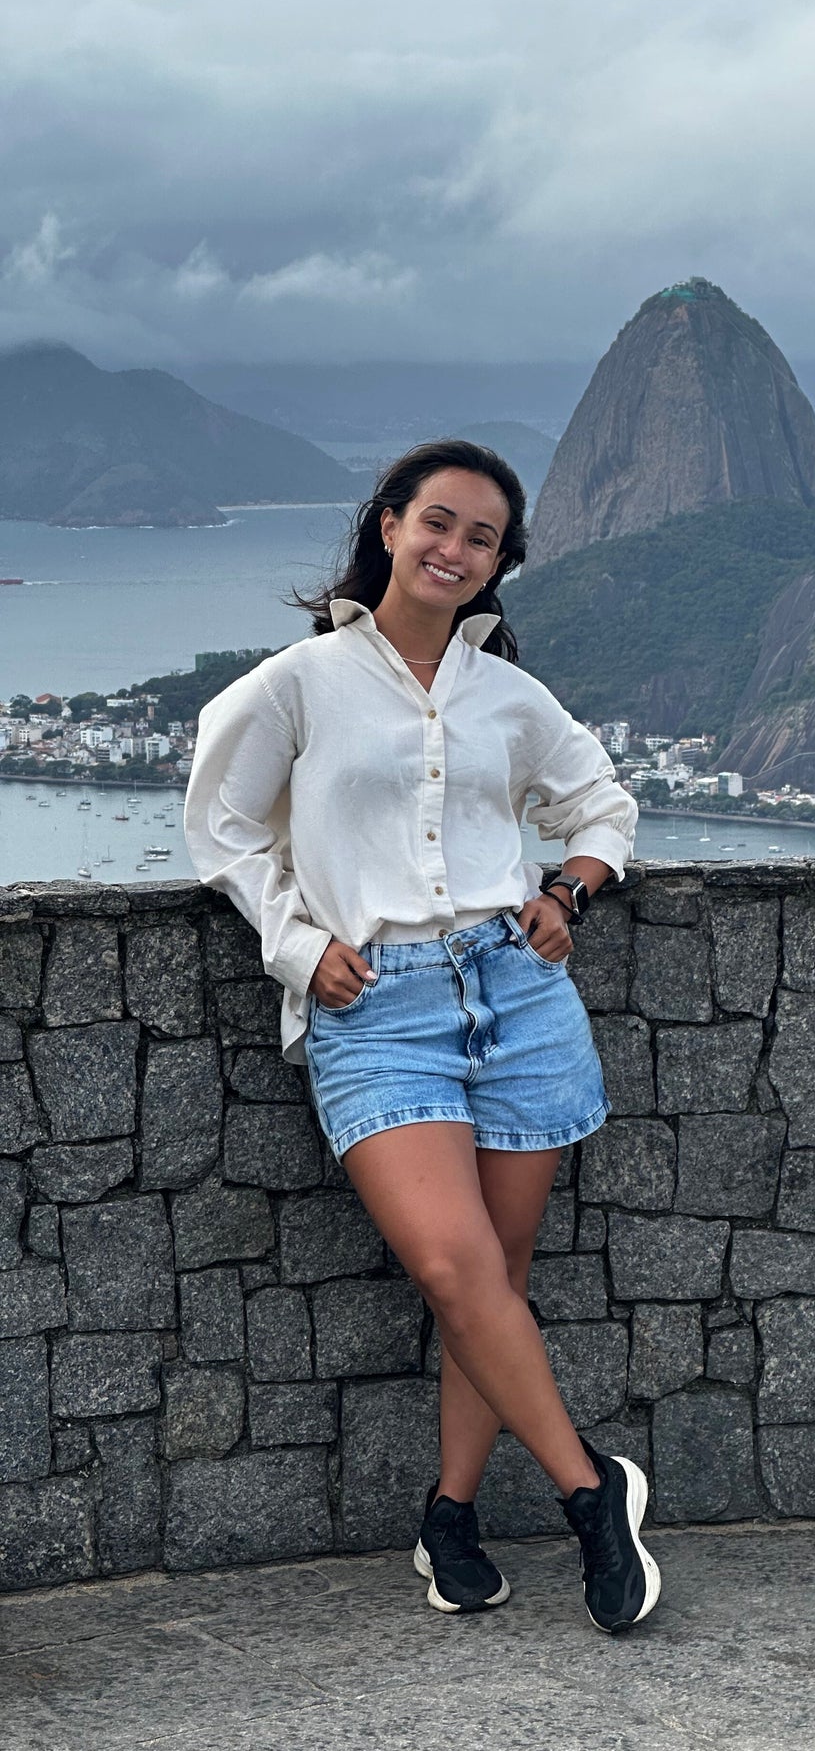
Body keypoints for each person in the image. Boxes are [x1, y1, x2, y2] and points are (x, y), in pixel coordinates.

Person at [183, 439, 660, 1633]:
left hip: (516, 992)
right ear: (388, 525)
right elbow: (221, 825)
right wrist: (296, 945)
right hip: (374, 1009)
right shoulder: (299, 681)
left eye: (480, 537)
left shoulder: (508, 693)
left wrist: (572, 891)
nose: (452, 549)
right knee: (453, 1267)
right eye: (435, 522)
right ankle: (592, 1496)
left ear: (498, 563)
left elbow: (602, 802)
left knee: (487, 1286)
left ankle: (449, 1515)